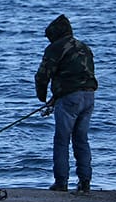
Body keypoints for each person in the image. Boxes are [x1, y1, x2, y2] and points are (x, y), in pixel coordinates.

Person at [34, 14, 98, 192]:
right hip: (89, 96)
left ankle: (61, 182)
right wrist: (56, 96)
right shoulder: (84, 47)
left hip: (69, 99)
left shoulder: (55, 48)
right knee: (81, 139)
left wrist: (42, 97)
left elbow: (42, 75)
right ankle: (85, 182)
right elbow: (81, 74)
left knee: (62, 140)